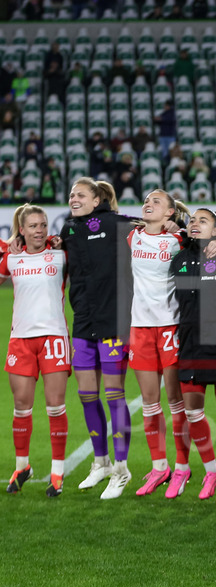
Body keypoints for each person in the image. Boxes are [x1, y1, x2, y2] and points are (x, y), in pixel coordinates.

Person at [58, 178, 134, 499]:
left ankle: (121, 468)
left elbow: (159, 234)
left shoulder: (120, 225)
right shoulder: (68, 231)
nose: (74, 198)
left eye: (81, 195)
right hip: (83, 322)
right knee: (87, 394)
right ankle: (100, 462)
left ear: (97, 199)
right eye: (72, 194)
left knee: (114, 394)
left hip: (114, 321)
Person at [171, 209, 216, 503]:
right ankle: (212, 470)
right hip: (189, 344)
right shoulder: (179, 259)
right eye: (192, 220)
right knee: (192, 413)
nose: (194, 224)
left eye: (202, 221)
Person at [127, 191, 193, 497]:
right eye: (146, 201)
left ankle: (182, 467)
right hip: (139, 328)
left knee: (175, 400)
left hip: (169, 326)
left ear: (169, 212)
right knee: (150, 402)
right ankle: (159, 466)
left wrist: (181, 227)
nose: (147, 204)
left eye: (156, 201)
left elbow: (201, 232)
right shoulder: (133, 237)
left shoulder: (179, 240)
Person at [2, 205, 69, 497]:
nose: (39, 230)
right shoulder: (11, 258)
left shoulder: (61, 254)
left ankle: (57, 472)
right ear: (21, 230)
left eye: (43, 225)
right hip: (21, 339)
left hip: (54, 337)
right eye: (32, 226)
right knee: (21, 406)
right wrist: (7, 250)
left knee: (55, 405)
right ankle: (22, 466)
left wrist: (60, 240)